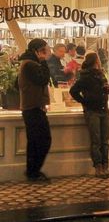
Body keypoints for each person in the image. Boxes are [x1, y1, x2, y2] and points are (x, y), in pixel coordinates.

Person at [69, 52, 109, 179]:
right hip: (93, 110)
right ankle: (99, 167)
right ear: (96, 61)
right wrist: (84, 101)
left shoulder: (100, 74)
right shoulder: (86, 76)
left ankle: (105, 166)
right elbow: (73, 91)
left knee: (104, 140)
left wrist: (107, 89)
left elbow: (106, 89)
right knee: (97, 140)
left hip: (103, 109)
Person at [18, 38, 51, 182]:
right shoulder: (31, 64)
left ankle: (33, 171)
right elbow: (43, 79)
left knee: (35, 141)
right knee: (43, 140)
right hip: (33, 108)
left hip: (31, 107)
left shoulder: (27, 64)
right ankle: (33, 172)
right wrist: (43, 61)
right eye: (44, 50)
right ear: (36, 51)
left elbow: (16, 84)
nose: (46, 53)